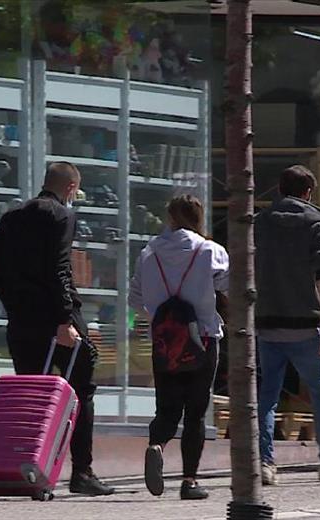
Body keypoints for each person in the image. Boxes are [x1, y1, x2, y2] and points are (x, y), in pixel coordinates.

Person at [0, 161, 115, 496]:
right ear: (71, 188)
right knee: (82, 386)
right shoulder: (60, 216)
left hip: (21, 321)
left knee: (30, 395)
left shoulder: (11, 216)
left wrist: (16, 310)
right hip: (55, 318)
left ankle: (27, 468)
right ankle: (82, 472)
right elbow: (59, 270)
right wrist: (64, 320)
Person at [254, 165, 320, 485]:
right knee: (319, 390)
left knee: (267, 395)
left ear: (280, 189)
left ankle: (266, 463)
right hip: (304, 324)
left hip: (268, 323)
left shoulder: (260, 223)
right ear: (308, 192)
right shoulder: (318, 224)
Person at [129, 194, 229, 500]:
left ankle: (155, 446)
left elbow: (135, 298)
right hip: (204, 338)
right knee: (196, 413)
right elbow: (230, 285)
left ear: (170, 218)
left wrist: (162, 316)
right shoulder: (209, 250)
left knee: (167, 406)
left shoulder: (149, 252)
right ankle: (190, 481)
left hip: (164, 341)